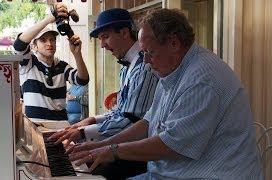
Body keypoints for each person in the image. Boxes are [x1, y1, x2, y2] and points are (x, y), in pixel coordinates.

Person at [67, 8, 263, 180]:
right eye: (143, 53)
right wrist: (105, 144)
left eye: (149, 52)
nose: (145, 62)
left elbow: (171, 145)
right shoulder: (170, 69)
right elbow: (147, 123)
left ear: (174, 43)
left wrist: (112, 150)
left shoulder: (202, 79)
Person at [49, 8, 159, 179]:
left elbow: (132, 120)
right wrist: (91, 120)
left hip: (137, 153)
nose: (102, 45)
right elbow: (121, 111)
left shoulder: (144, 67)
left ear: (124, 32)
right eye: (100, 39)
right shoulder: (127, 68)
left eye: (105, 37)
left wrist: (84, 132)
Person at [13, 2, 89, 122]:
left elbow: (83, 80)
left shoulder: (62, 66)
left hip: (61, 128)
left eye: (52, 39)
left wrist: (77, 54)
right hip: (36, 127)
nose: (49, 44)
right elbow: (19, 44)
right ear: (35, 46)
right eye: (43, 40)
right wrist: (50, 18)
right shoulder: (29, 63)